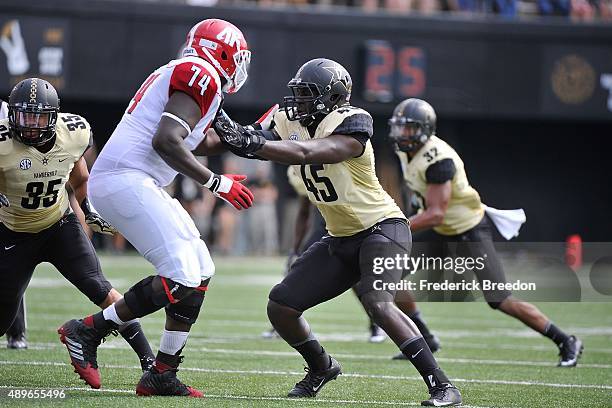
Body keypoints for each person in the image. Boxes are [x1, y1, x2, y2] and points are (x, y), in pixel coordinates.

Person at [213, 58, 461, 406]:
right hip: (341, 236)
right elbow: (258, 140)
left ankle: (442, 386)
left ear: (330, 98)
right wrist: (223, 128)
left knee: (379, 303)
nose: (297, 102)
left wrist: (251, 144)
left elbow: (304, 151)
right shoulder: (289, 119)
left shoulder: (353, 122)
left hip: (383, 228)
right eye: (297, 93)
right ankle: (321, 366)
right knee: (281, 306)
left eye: (307, 95)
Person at [56, 19, 255, 397]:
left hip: (136, 179)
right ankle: (88, 330)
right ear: (224, 52)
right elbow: (168, 141)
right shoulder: (200, 73)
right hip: (125, 178)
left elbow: (187, 140)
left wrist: (243, 139)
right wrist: (217, 183)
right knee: (180, 274)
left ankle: (162, 373)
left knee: (200, 272)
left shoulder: (193, 73)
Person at [388, 98, 583, 367]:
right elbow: (420, 193)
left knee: (499, 299)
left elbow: (436, 213)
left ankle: (565, 340)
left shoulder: (439, 159)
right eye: (399, 128)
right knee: (389, 274)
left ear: (424, 129)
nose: (402, 134)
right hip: (440, 230)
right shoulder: (405, 151)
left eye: (408, 128)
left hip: (466, 230)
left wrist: (396, 225)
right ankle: (425, 337)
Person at [0, 78, 154, 371]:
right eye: (24, 115)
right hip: (13, 233)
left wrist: (87, 208)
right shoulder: (3, 143)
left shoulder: (73, 134)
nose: (31, 124)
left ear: (54, 116)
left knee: (102, 290)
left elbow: (80, 178)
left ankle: (151, 363)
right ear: (12, 115)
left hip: (58, 225)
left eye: (38, 116)